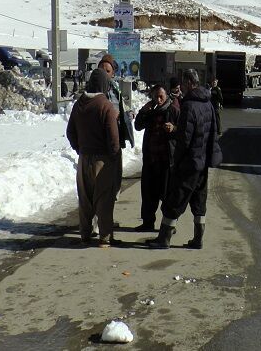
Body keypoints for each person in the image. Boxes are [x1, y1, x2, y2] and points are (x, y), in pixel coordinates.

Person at [147, 69, 222, 249]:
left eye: (183, 82)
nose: (181, 86)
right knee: (199, 201)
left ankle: (164, 239)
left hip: (189, 163)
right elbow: (214, 132)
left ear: (189, 82)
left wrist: (176, 161)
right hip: (203, 163)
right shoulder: (207, 103)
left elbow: (184, 139)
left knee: (174, 200)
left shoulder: (189, 106)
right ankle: (198, 239)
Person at [66, 69, 121, 247]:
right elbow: (113, 138)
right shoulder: (106, 106)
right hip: (102, 159)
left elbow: (70, 132)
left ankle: (84, 234)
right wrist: (113, 156)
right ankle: (104, 237)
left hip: (84, 157)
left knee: (85, 198)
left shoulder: (78, 104)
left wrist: (79, 148)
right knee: (103, 198)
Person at [133, 84, 179, 232]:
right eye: (155, 97)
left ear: (166, 96)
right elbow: (138, 126)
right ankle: (148, 222)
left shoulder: (173, 111)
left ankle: (169, 225)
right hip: (151, 160)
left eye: (161, 96)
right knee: (148, 194)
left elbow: (184, 131)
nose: (158, 100)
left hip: (166, 161)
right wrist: (143, 111)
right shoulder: (151, 111)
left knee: (167, 196)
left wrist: (174, 128)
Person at [99, 54, 135, 202]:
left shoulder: (114, 89)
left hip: (116, 142)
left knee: (115, 183)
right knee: (102, 186)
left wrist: (127, 114)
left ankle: (108, 219)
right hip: (101, 145)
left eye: (107, 71)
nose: (104, 74)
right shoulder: (94, 90)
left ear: (113, 73)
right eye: (101, 70)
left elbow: (120, 107)